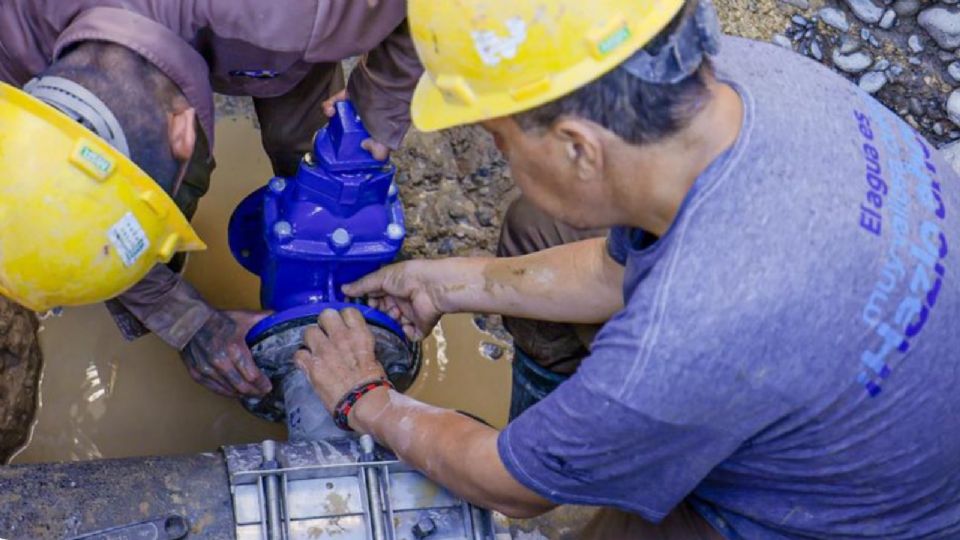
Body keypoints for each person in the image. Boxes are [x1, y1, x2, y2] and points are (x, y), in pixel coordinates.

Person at [294, 0, 960, 537]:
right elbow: (618, 269)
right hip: (881, 394)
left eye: (500, 140)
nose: (501, 155)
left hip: (857, 516)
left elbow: (506, 485)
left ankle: (581, 461)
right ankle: (573, 438)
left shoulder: (687, 336)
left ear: (580, 148)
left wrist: (368, 400)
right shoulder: (744, 78)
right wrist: (448, 281)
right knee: (535, 229)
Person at [0, 0, 422, 398]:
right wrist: (183, 317)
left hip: (281, 33)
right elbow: (83, 216)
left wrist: (377, 101)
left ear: (184, 132)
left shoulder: (311, 14)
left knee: (305, 140)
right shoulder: (14, 35)